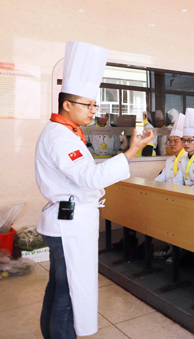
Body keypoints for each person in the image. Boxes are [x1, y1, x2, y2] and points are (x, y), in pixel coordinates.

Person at [36, 41, 154, 339]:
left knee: (59, 286)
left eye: (94, 105)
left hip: (67, 221)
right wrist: (131, 151)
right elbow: (90, 178)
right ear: (67, 105)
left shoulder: (67, 133)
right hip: (68, 225)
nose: (93, 111)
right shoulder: (61, 137)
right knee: (68, 291)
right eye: (87, 105)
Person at [155, 113, 186, 183]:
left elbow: (178, 182)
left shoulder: (187, 159)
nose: (172, 144)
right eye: (170, 141)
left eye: (176, 141)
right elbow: (161, 178)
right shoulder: (169, 160)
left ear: (183, 142)